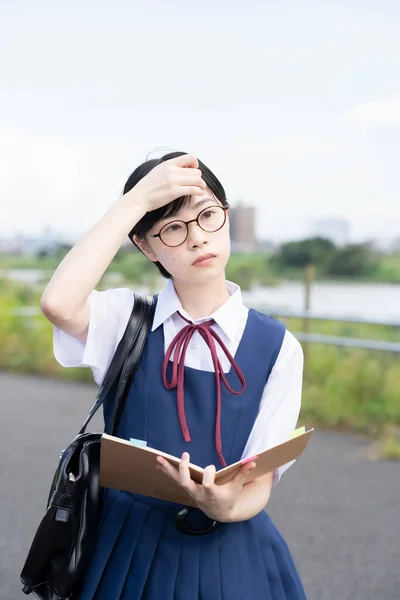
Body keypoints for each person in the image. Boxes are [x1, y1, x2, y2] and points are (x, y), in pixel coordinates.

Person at [41, 151, 307, 599]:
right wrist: (134, 202)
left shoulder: (279, 346)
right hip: (127, 547)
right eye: (172, 228)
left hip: (234, 552)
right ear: (145, 246)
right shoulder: (125, 321)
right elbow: (59, 304)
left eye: (207, 216)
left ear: (225, 216)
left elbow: (260, 479)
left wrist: (229, 505)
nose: (198, 239)